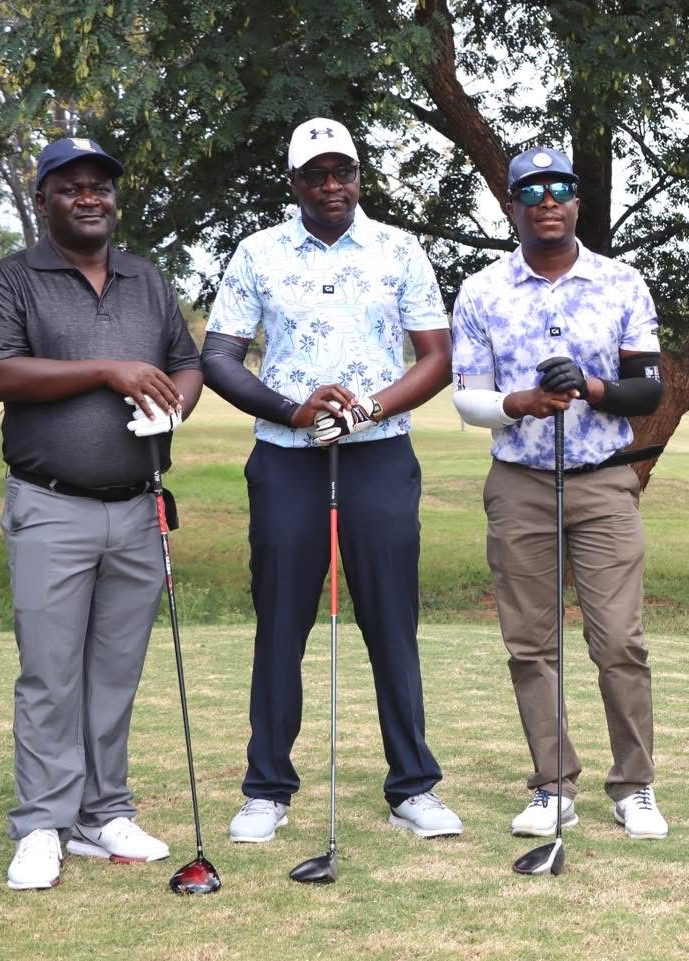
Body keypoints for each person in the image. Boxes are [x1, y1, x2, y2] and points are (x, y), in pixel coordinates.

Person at [202, 118, 459, 843]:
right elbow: (220, 356)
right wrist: (292, 407)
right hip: (287, 453)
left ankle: (413, 786)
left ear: (358, 174)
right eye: (315, 173)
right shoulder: (258, 252)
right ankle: (267, 789)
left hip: (379, 450)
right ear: (294, 182)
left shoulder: (398, 248)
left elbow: (435, 356)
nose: (331, 184)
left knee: (391, 622)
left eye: (341, 170)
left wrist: (371, 406)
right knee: (282, 621)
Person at [0, 136, 203, 890]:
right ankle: (42, 821)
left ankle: (103, 813)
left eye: (100, 184)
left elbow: (185, 362)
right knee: (49, 674)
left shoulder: (147, 277)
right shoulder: (14, 279)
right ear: (43, 200)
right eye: (71, 186)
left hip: (136, 509)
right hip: (51, 507)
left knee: (113, 672)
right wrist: (109, 368)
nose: (90, 196)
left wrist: (172, 409)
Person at [450, 146, 668, 840]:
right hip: (519, 482)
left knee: (619, 640)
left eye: (562, 188)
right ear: (513, 203)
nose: (548, 200)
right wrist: (521, 402)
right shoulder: (482, 290)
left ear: (578, 203)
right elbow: (468, 398)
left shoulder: (621, 282)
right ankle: (552, 784)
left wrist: (591, 387)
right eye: (533, 190)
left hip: (604, 479)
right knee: (530, 644)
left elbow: (650, 387)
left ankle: (634, 785)